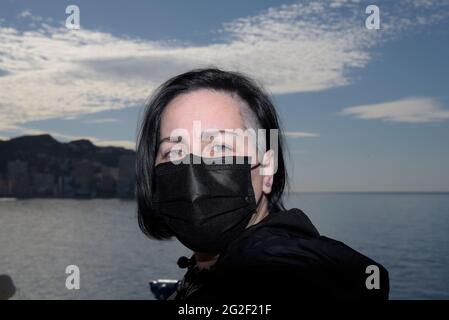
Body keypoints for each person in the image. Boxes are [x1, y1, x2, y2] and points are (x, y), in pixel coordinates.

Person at [136, 68, 389, 301]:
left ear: (267, 169)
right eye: (173, 152)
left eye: (220, 148)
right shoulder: (207, 270)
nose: (191, 171)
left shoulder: (271, 267)